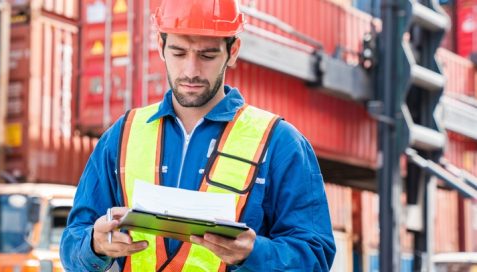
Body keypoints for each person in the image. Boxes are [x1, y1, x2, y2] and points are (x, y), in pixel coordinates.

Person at [60, 0, 336, 270]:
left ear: (233, 50)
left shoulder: (279, 143)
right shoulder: (122, 136)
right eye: (179, 53)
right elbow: (72, 245)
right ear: (161, 46)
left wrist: (254, 253)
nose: (191, 71)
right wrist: (95, 244)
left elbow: (315, 256)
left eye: (206, 55)